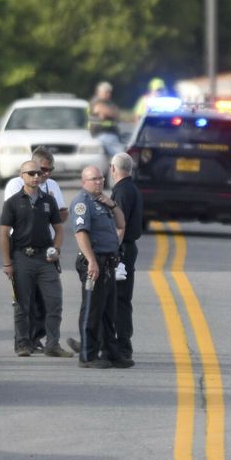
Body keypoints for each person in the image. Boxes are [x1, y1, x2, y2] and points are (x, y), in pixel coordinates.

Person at [3, 149, 70, 352]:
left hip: (45, 253)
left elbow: (60, 220)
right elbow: (4, 231)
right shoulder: (14, 194)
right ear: (24, 173)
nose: (41, 175)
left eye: (46, 171)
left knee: (52, 300)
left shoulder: (49, 195)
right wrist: (7, 262)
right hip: (22, 251)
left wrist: (56, 249)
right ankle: (23, 342)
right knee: (24, 302)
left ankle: (50, 342)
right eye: (39, 171)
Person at [67, 165, 126, 368]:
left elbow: (121, 224)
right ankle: (88, 355)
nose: (99, 182)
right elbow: (81, 233)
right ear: (84, 182)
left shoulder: (102, 202)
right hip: (94, 263)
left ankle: (110, 352)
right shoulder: (82, 203)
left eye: (101, 178)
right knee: (92, 309)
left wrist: (113, 205)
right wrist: (91, 260)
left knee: (109, 311)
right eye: (94, 179)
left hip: (108, 263)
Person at [105, 152, 143, 366]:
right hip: (128, 248)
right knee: (121, 299)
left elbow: (120, 225)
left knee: (117, 299)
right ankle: (115, 343)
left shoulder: (120, 192)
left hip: (121, 250)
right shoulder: (132, 188)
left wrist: (112, 251)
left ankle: (120, 345)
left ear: (113, 169)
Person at [89, 81, 125, 161]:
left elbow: (117, 114)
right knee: (122, 158)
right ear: (99, 92)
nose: (109, 94)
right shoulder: (96, 102)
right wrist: (111, 112)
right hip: (102, 134)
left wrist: (111, 112)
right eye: (106, 92)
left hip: (111, 134)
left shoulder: (109, 103)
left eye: (110, 92)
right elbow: (112, 113)